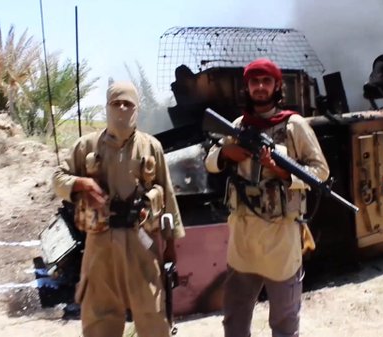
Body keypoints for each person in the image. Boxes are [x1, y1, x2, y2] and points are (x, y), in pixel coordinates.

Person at [204, 58, 330, 337]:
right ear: (247, 88)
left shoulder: (294, 125)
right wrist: (226, 154)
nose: (260, 87)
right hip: (244, 235)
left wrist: (281, 171)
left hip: (280, 235)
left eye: (266, 81)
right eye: (254, 82)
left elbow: (320, 171)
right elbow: (210, 162)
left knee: (284, 321)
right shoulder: (238, 125)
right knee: (235, 318)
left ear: (277, 86)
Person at [53, 81, 185, 337]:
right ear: (107, 107)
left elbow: (168, 196)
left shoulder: (151, 147)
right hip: (100, 244)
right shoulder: (86, 146)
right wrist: (81, 183)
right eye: (116, 103)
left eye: (128, 104)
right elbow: (57, 179)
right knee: (99, 316)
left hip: (142, 243)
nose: (122, 108)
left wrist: (170, 246)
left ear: (137, 108)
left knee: (152, 313)